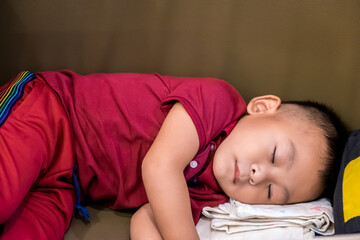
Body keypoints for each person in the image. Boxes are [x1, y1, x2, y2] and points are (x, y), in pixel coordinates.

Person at [0, 71, 347, 240]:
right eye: (273, 155)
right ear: (262, 108)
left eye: (271, 192)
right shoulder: (218, 102)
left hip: (66, 187)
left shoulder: (210, 195)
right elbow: (159, 166)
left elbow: (146, 219)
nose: (258, 175)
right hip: (51, 114)